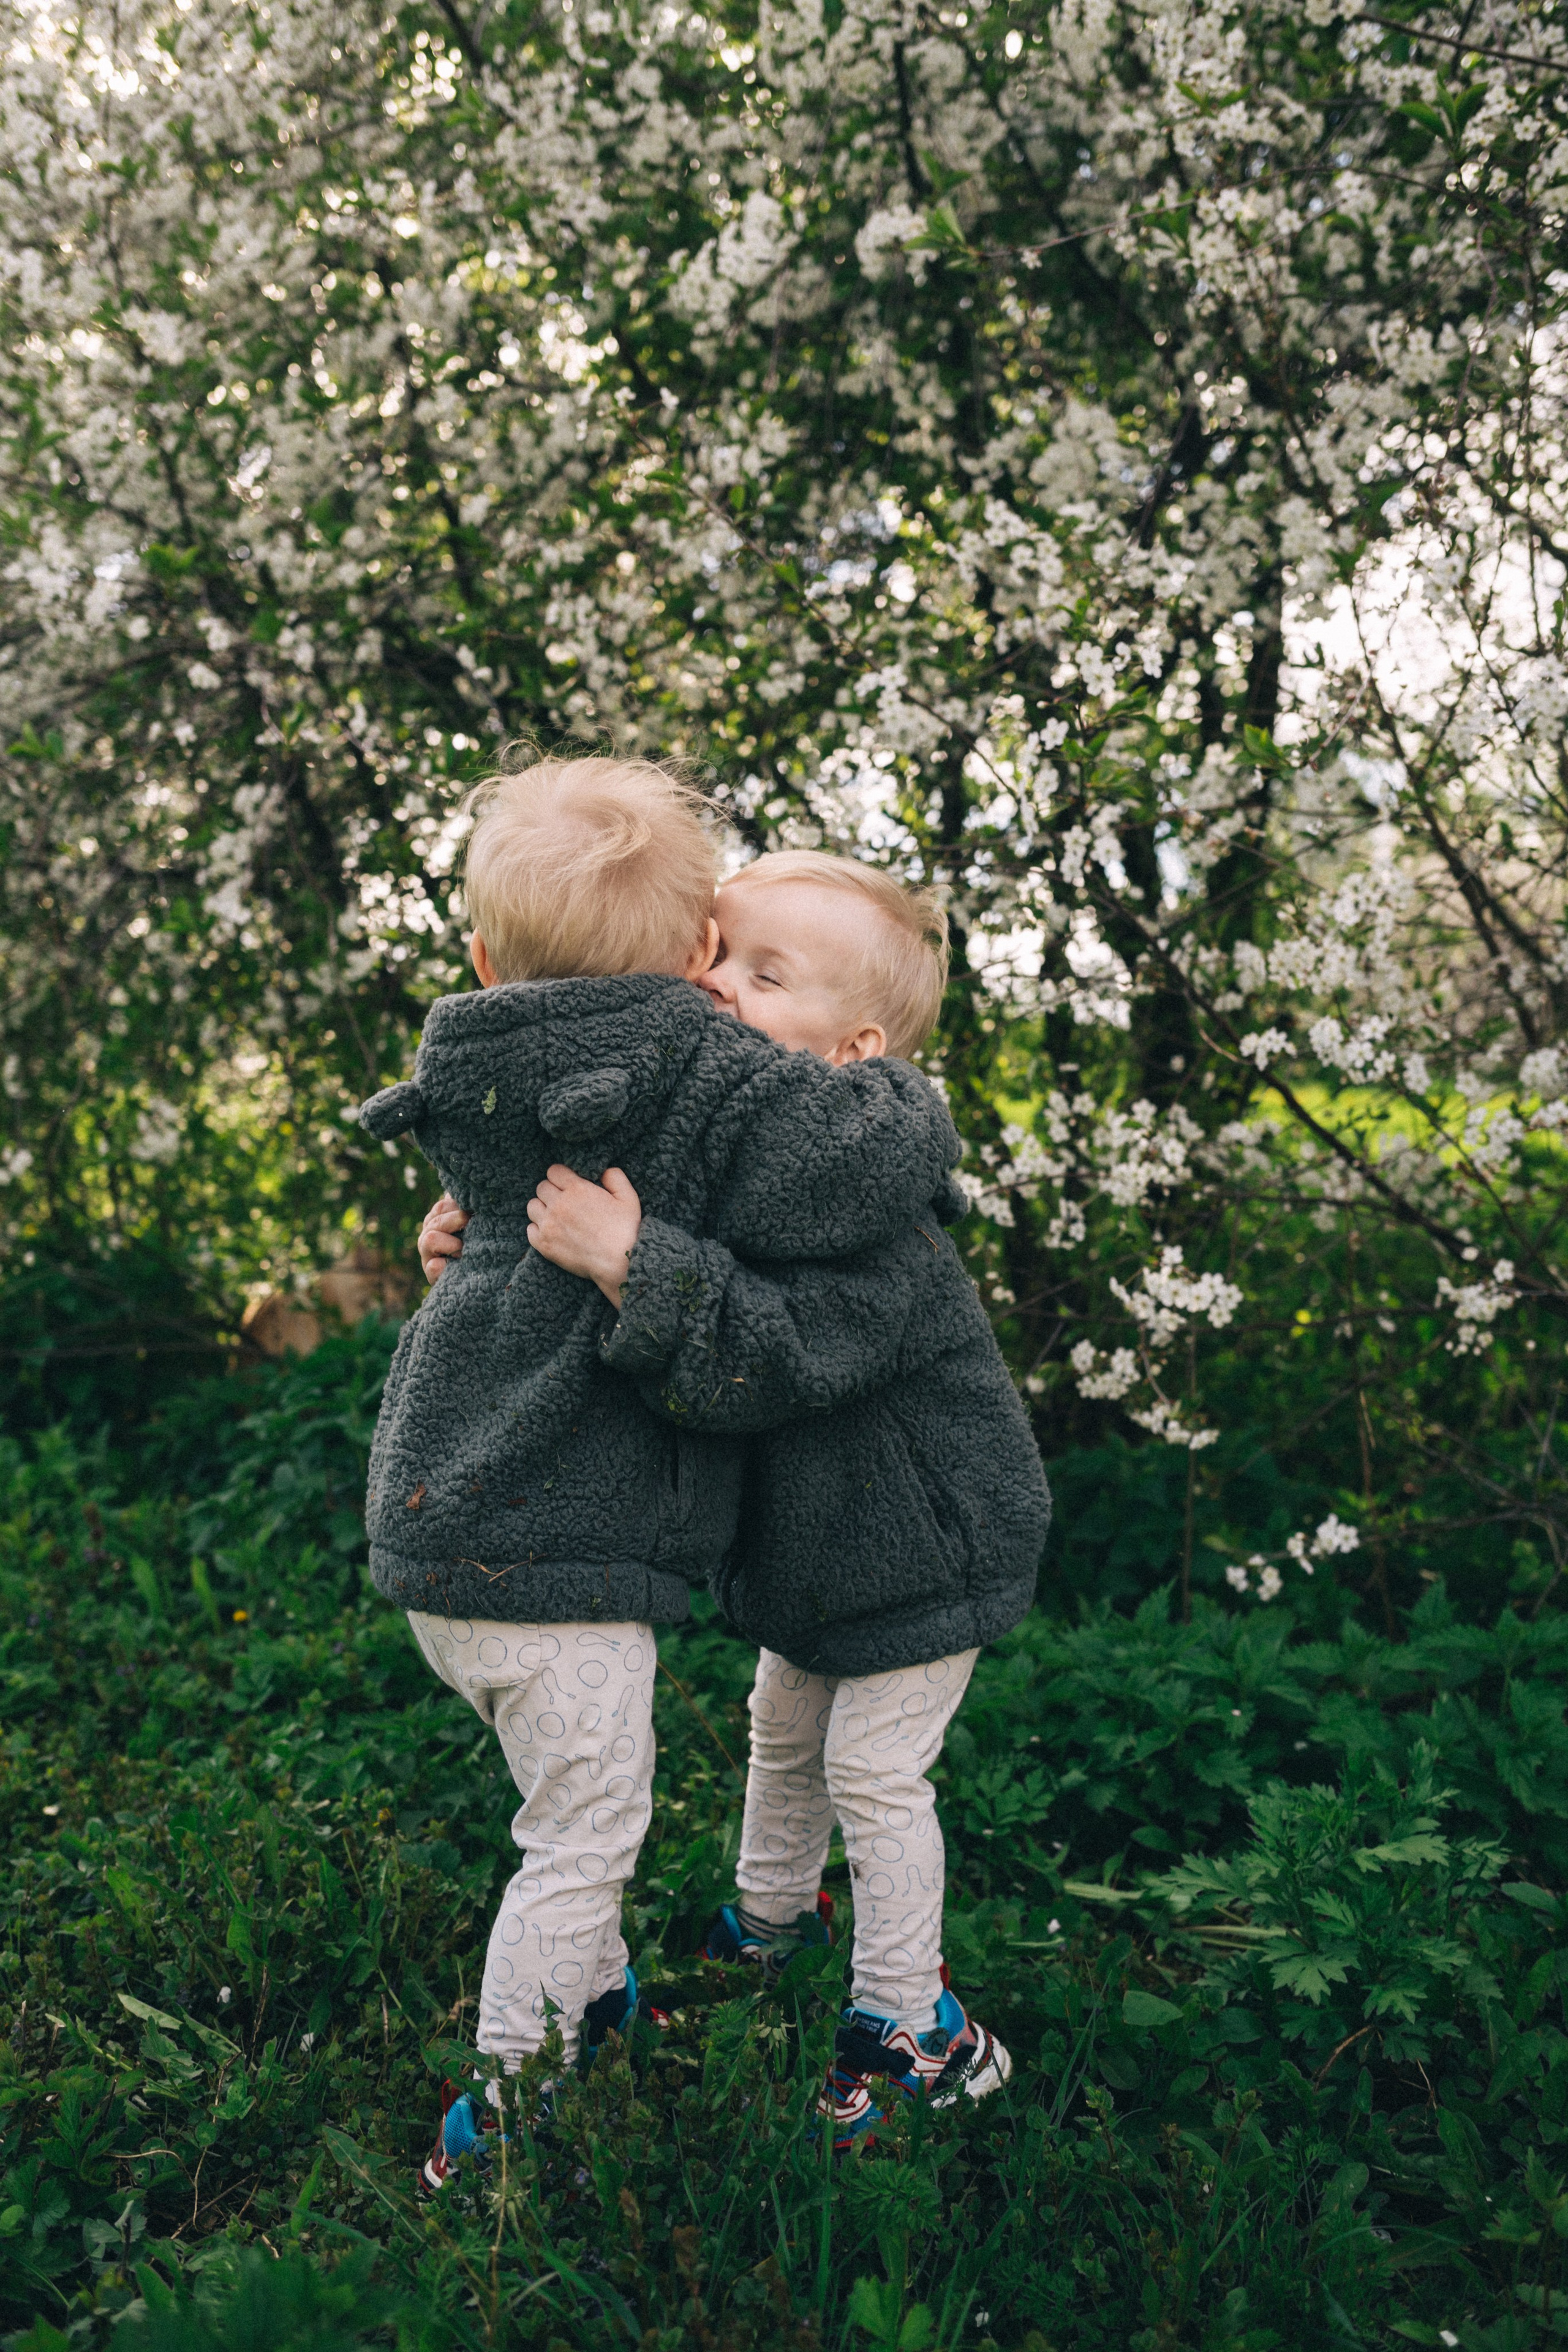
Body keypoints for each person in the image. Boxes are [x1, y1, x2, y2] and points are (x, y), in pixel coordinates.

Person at [361, 757, 962, 2192]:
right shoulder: (692, 1087)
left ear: (483, 955)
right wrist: (915, 1112)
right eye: (728, 957)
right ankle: (508, 2114)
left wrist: (473, 1232)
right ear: (693, 954)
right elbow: (856, 1155)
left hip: (439, 1528)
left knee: (572, 1806)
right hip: (551, 1555)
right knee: (577, 1840)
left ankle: (599, 1995)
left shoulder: (477, 1064)